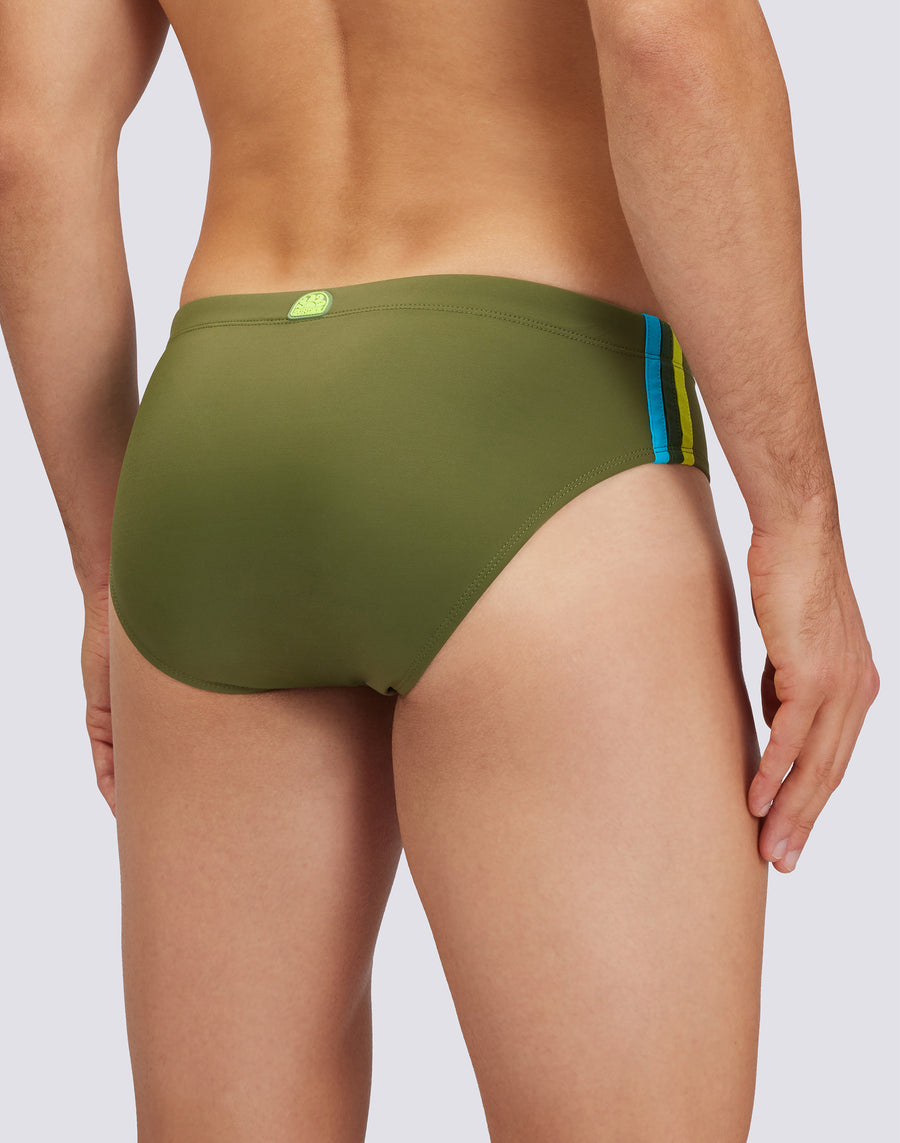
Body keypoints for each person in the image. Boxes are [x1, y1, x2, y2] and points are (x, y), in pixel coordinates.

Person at [0, 0, 880, 1139]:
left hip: (216, 432)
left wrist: (102, 572)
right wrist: (799, 528)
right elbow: (670, 37)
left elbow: (29, 141)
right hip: (529, 409)